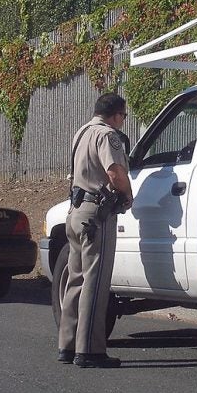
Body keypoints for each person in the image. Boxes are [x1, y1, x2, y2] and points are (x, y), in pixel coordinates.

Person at [58, 92, 133, 368]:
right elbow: (114, 172)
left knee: (75, 280)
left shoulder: (81, 133)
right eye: (123, 116)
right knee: (96, 282)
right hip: (96, 216)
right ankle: (89, 351)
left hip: (76, 213)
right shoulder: (107, 135)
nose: (123, 121)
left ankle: (67, 345)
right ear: (115, 114)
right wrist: (127, 195)